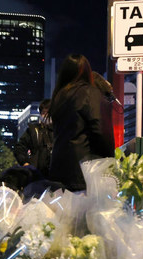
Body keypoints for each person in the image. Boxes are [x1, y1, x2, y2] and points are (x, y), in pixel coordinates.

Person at [48, 54, 114, 191]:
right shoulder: (90, 93)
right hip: (84, 170)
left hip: (58, 168)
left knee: (65, 211)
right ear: (86, 72)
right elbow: (101, 131)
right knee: (85, 211)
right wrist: (110, 159)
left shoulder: (59, 96)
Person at [13, 99, 54, 178]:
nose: (45, 116)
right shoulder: (33, 130)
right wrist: (25, 164)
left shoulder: (61, 131)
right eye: (43, 113)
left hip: (56, 176)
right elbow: (19, 148)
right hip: (36, 175)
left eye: (49, 113)